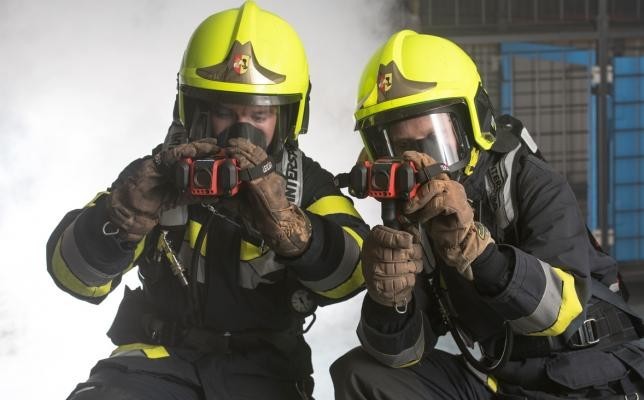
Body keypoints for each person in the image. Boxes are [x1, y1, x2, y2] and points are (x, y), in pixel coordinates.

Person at [46, 2, 368, 399]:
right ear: (197, 110)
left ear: (286, 118)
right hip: (155, 364)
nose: (241, 130)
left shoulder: (305, 184)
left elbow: (355, 272)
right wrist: (119, 221)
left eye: (259, 115)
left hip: (266, 372)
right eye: (224, 111)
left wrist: (297, 233)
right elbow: (74, 276)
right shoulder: (154, 177)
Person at [330, 30, 644, 399]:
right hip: (504, 381)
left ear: (473, 124)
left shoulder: (532, 182)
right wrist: (390, 302)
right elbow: (403, 353)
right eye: (400, 146)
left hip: (592, 376)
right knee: (360, 373)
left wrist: (480, 254)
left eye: (433, 139)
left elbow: (559, 312)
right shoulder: (415, 217)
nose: (420, 160)